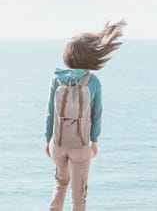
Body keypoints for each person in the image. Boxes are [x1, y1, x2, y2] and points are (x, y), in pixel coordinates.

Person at [45, 19, 127, 211]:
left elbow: (50, 113)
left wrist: (48, 139)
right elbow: (97, 114)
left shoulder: (56, 80)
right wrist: (94, 140)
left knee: (60, 184)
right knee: (79, 196)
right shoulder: (93, 81)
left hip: (58, 143)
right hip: (80, 145)